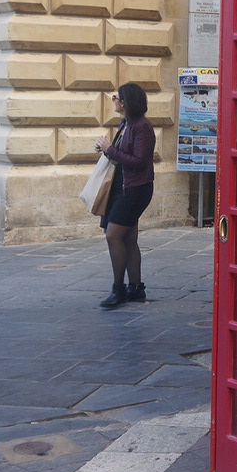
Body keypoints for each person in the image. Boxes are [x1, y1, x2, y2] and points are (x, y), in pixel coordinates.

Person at [95, 83, 156, 309]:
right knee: (128, 238)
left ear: (126, 102)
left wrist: (110, 149)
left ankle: (118, 289)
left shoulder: (143, 127)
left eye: (116, 97)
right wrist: (105, 148)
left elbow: (139, 162)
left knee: (113, 236)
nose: (114, 101)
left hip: (135, 189)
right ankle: (136, 288)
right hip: (123, 187)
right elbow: (122, 156)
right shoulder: (126, 124)